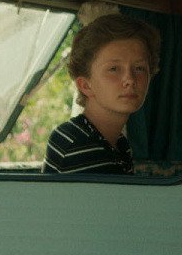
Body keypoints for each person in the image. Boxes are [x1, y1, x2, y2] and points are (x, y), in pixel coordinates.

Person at [42, 13, 160, 174]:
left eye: (139, 68)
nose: (130, 79)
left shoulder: (118, 143)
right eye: (114, 69)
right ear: (85, 85)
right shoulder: (79, 145)